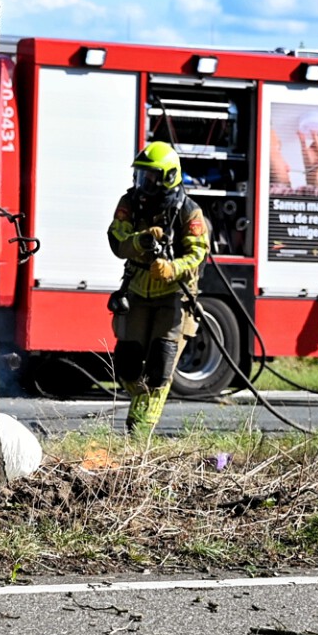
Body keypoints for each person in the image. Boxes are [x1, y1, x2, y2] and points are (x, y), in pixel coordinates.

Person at [106, 142, 210, 435]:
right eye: (141, 176)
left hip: (174, 298)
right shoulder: (130, 203)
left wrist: (172, 268)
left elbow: (198, 252)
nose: (144, 183)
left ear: (168, 176)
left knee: (158, 370)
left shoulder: (189, 212)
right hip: (137, 292)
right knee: (127, 367)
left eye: (150, 177)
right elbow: (117, 239)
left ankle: (138, 434)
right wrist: (139, 240)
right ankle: (137, 410)